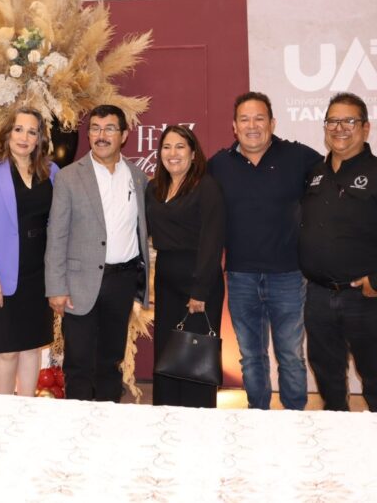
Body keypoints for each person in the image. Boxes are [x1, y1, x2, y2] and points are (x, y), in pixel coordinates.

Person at [299, 92, 377, 412]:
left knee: (375, 376)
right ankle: (336, 433)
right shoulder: (314, 174)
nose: (340, 128)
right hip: (319, 296)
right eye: (333, 121)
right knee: (327, 376)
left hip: (368, 297)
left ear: (366, 128)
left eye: (349, 121)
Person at [208, 92, 321, 410]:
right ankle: (257, 415)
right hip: (240, 275)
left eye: (259, 118)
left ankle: (295, 416)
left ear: (272, 123)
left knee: (290, 354)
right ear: (234, 126)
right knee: (251, 356)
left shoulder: (299, 157)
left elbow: (332, 189)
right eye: (244, 119)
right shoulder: (218, 165)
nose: (252, 125)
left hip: (288, 275)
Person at [45, 104, 151, 402]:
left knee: (111, 359)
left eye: (109, 129)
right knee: (78, 363)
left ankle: (108, 416)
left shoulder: (137, 177)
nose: (101, 136)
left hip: (122, 281)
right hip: (79, 283)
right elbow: (57, 234)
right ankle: (78, 422)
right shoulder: (69, 177)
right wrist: (56, 287)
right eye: (95, 128)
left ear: (124, 135)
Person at [0, 107, 58, 396]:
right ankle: (2, 412)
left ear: (40, 138)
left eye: (32, 132)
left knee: (31, 348)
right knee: (5, 351)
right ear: (7, 133)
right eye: (18, 129)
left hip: (38, 275)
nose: (24, 137)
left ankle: (26, 409)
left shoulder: (51, 171)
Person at [146, 125, 225, 408]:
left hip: (199, 280)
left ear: (193, 153)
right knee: (167, 353)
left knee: (195, 356)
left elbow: (212, 241)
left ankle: (197, 417)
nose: (173, 153)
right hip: (166, 280)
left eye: (180, 146)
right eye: (167, 147)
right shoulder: (154, 188)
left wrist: (200, 291)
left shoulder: (206, 187)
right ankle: (166, 414)